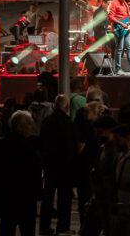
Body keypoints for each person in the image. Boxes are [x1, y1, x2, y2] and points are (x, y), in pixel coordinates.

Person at [0, 111, 41, 236]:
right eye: (29, 124)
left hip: (7, 194)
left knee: (6, 227)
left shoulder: (1, 144)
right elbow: (34, 172)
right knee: (27, 229)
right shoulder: (29, 147)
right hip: (26, 196)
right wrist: (38, 191)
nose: (32, 127)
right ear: (20, 128)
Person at [39, 95, 74, 235]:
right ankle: (63, 227)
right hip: (64, 165)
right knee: (64, 198)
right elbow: (69, 145)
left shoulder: (47, 121)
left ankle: (44, 226)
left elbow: (42, 143)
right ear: (66, 107)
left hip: (50, 164)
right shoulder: (67, 122)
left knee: (48, 196)